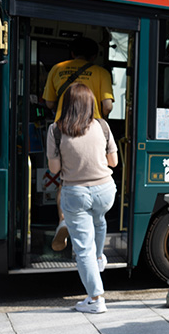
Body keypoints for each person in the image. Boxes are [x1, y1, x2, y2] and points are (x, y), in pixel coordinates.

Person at [46, 83, 118, 314]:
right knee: (99, 218)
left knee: (82, 249)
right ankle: (99, 258)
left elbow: (54, 169)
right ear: (91, 104)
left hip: (75, 193)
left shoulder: (56, 130)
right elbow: (113, 162)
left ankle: (96, 299)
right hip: (105, 190)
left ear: (66, 104)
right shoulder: (103, 126)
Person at [43, 36, 114, 251]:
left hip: (62, 131)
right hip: (93, 131)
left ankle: (64, 221)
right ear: (94, 56)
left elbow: (48, 102)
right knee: (95, 181)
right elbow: (108, 106)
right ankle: (88, 241)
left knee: (66, 180)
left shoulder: (57, 69)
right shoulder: (101, 72)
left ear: (72, 54)